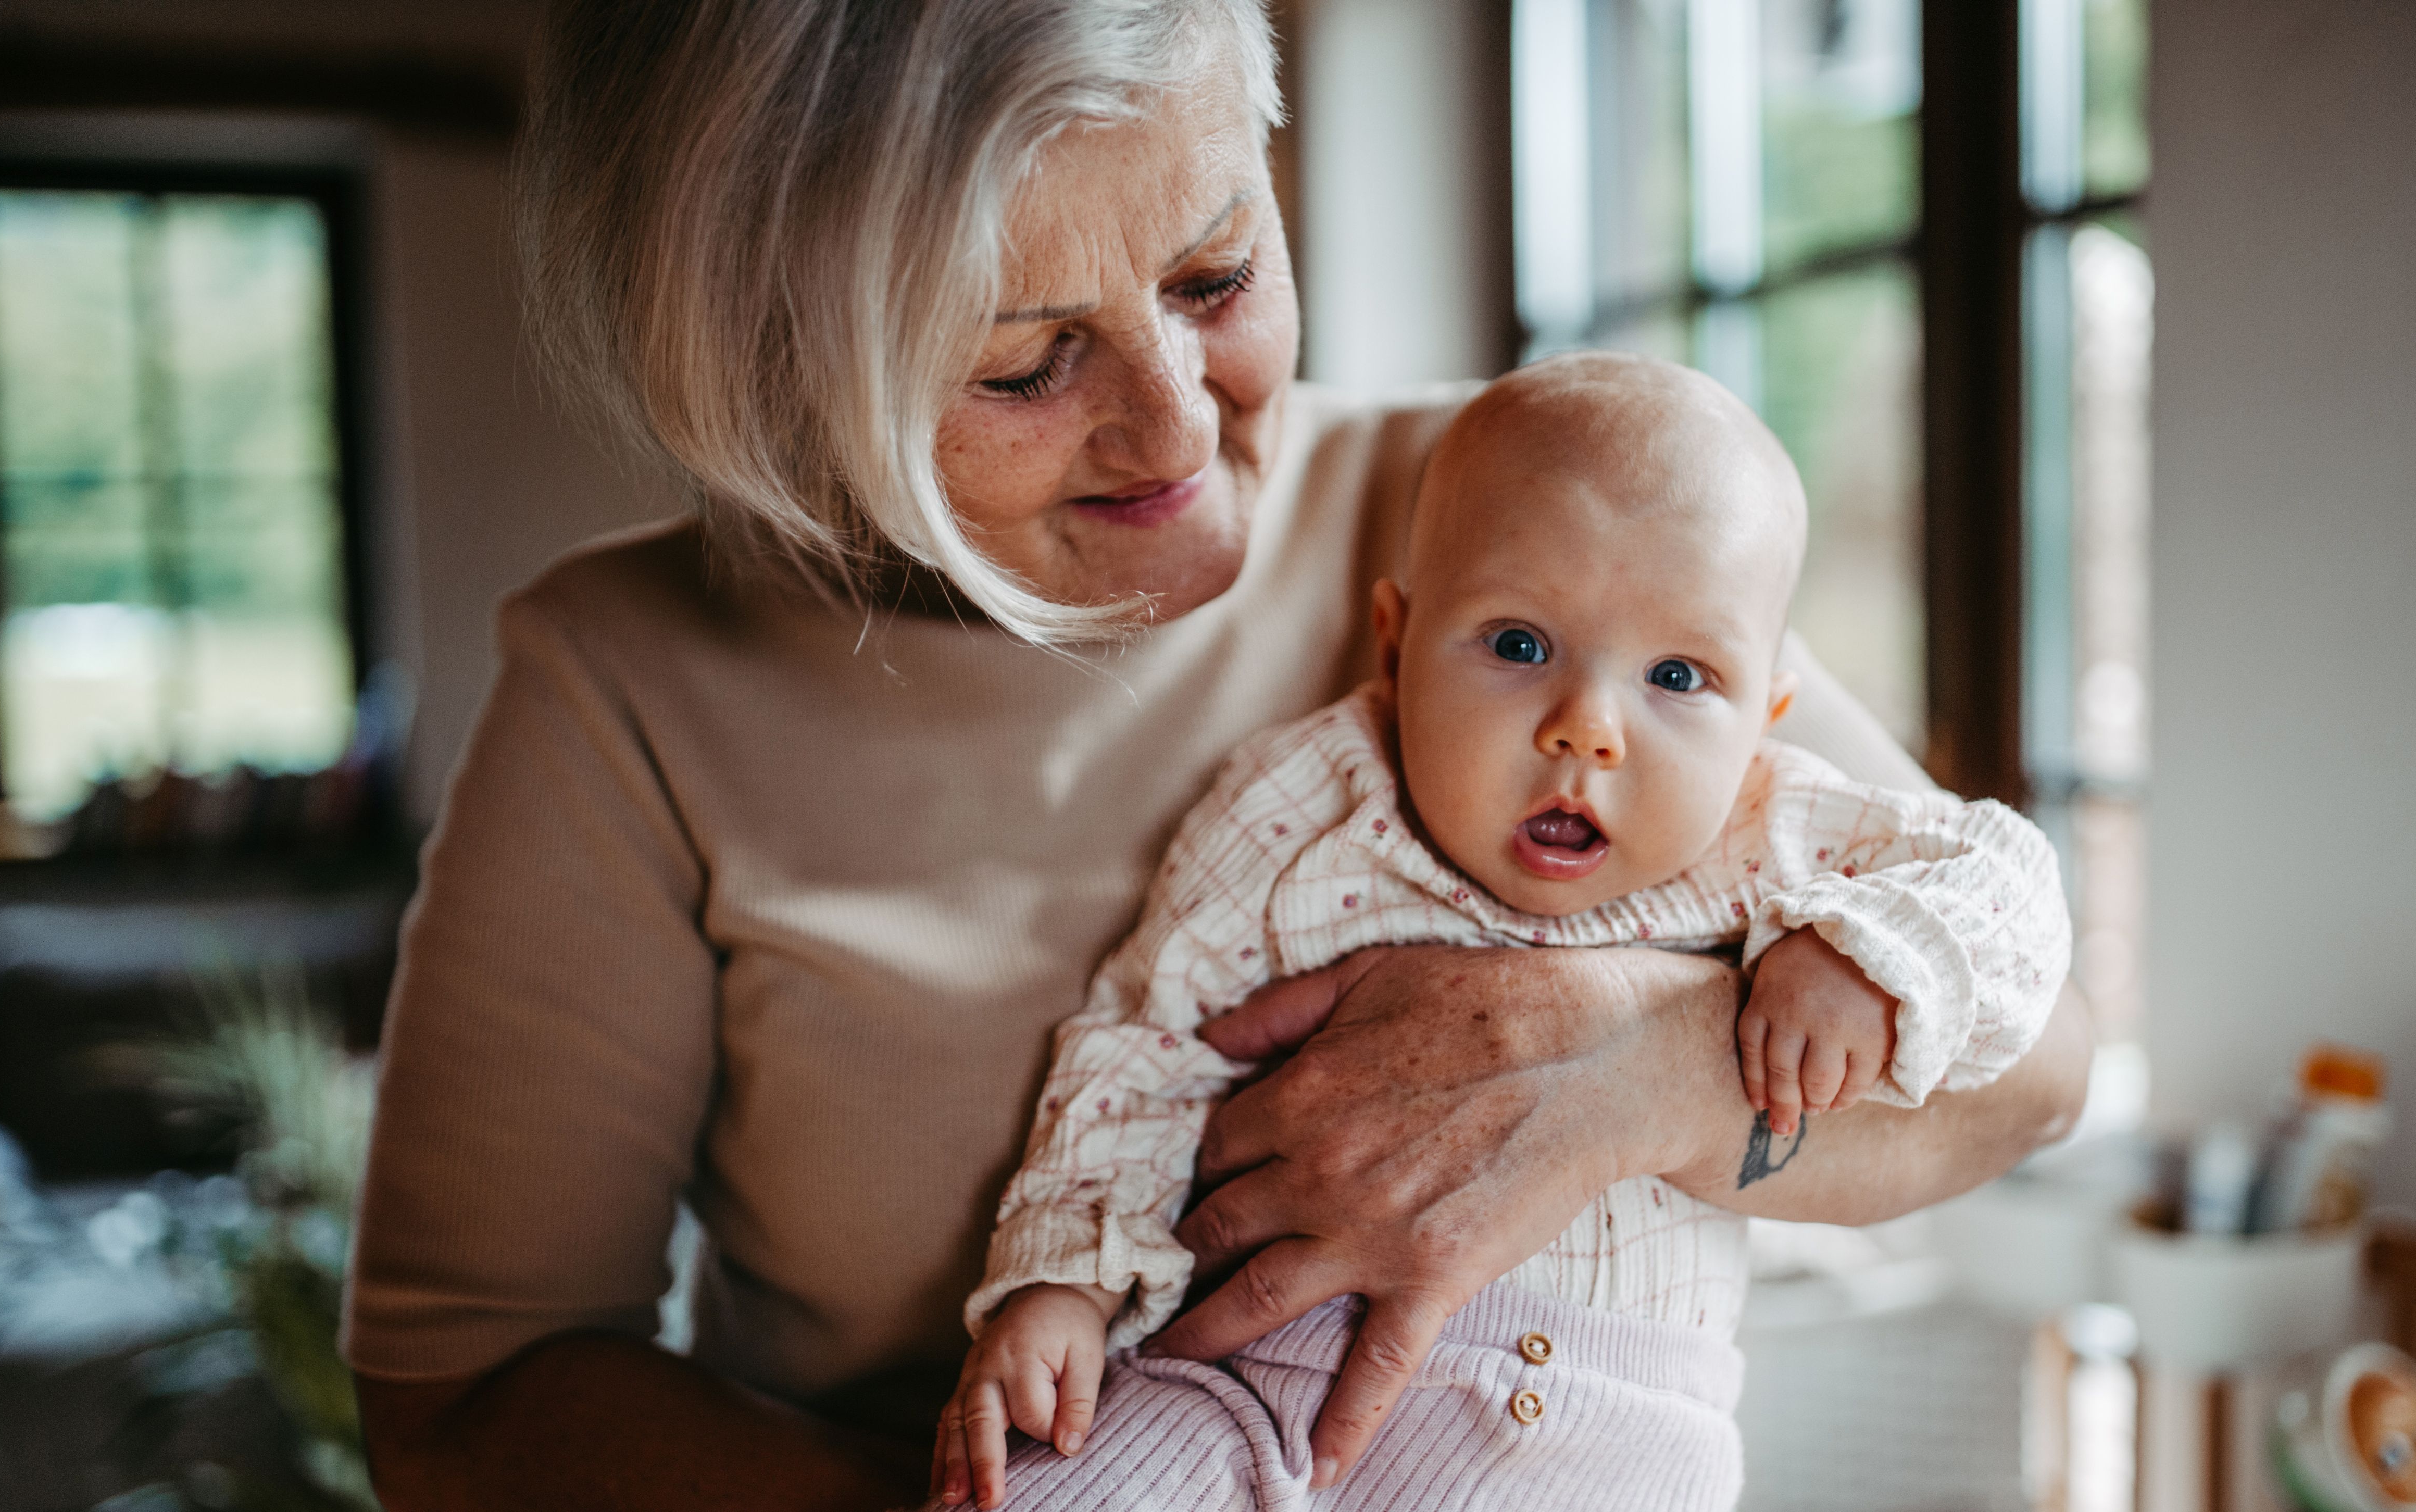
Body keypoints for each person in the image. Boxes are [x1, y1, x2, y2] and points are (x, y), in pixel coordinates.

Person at [346, 4, 2093, 1509]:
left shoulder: (1525, 521)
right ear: (789, 381)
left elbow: (2031, 1061)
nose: (1178, 425)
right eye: (1026, 363)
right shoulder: (626, 685)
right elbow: (465, 1393)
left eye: (1216, 273)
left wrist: (1644, 1075)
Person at [933, 354, 2073, 1510]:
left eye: (1676, 676)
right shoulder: (1300, 804)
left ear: (1763, 719)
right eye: (1518, 646)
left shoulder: (1773, 829)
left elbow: (2006, 876)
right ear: (1396, 641)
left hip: (1609, 1450)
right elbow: (1145, 1043)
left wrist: (1867, 955)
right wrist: (1063, 1283)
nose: (1587, 731)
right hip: (1242, 1390)